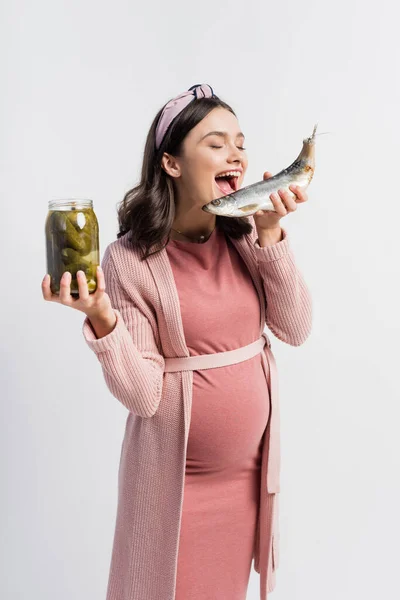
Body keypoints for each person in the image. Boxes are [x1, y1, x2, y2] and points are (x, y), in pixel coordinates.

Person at [42, 83, 312, 600]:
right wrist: (102, 317)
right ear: (171, 163)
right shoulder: (129, 259)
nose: (234, 153)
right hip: (175, 491)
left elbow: (295, 327)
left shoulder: (248, 236)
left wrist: (272, 233)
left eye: (239, 141)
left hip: (245, 487)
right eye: (215, 143)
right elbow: (144, 394)